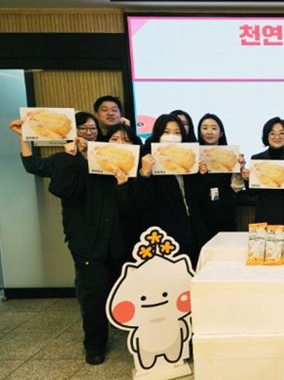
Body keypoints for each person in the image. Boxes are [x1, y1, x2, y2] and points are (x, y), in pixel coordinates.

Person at [47, 122, 143, 365]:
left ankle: (131, 335)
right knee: (94, 295)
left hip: (121, 244)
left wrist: (123, 186)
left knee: (122, 291)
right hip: (89, 243)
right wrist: (70, 156)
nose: (120, 145)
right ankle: (94, 345)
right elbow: (60, 188)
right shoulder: (85, 165)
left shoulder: (135, 173)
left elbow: (136, 211)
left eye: (126, 141)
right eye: (114, 140)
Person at [133, 114, 207, 265]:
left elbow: (197, 198)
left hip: (191, 229)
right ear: (157, 134)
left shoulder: (188, 158)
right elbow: (142, 201)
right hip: (164, 234)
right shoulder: (147, 158)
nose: (172, 136)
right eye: (166, 132)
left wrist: (201, 175)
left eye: (177, 132)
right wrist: (145, 174)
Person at [242, 117, 284, 224]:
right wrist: (247, 179)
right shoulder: (257, 159)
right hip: (265, 214)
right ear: (267, 136)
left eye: (281, 133)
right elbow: (252, 193)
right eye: (272, 133)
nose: (277, 137)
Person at [9, 111, 99, 177]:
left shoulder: (105, 151)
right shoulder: (64, 158)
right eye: (83, 128)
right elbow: (33, 166)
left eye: (93, 128)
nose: (89, 133)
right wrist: (23, 137)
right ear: (72, 131)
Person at [196, 113, 244, 238]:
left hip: (225, 214)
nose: (209, 132)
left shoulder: (230, 155)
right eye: (205, 128)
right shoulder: (194, 157)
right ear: (199, 132)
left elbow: (237, 187)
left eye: (214, 128)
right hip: (201, 215)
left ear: (221, 133)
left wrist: (239, 170)